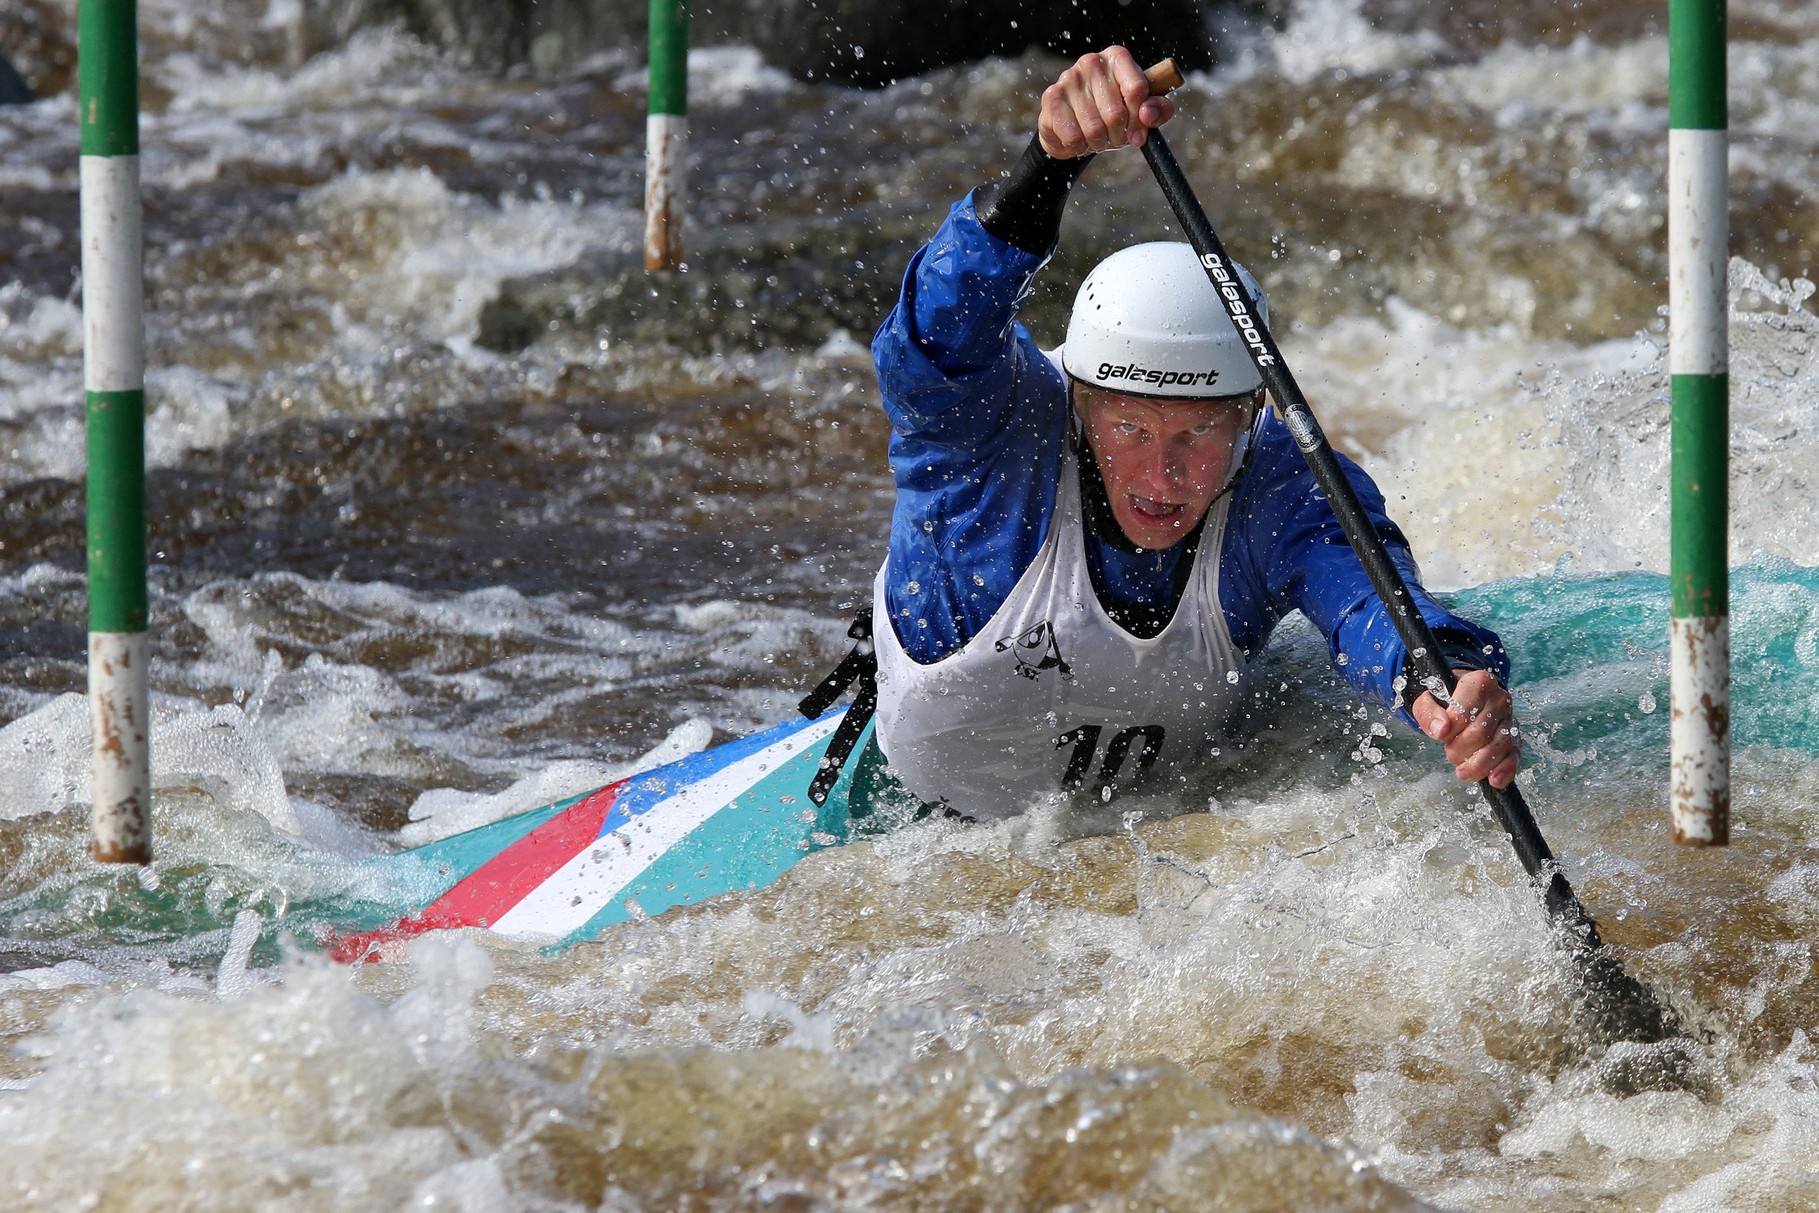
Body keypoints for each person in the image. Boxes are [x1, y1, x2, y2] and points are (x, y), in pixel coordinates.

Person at [864, 46, 1520, 819]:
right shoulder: (990, 441)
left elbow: (1369, 602)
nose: (1165, 473)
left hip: (1161, 825)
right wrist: (1045, 166)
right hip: (923, 823)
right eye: (1131, 426)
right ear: (1078, 400)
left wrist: (1442, 683)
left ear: (1249, 414)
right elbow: (932, 337)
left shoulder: (1280, 479)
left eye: (1200, 432)